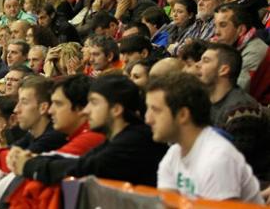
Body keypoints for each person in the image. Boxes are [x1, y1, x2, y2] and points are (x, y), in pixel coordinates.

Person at [9, 75, 168, 186]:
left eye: (94, 103)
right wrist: (33, 160)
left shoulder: (135, 139)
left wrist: (30, 165)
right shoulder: (115, 138)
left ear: (116, 109)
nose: (86, 110)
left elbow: (83, 168)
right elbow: (82, 161)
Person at [145, 72, 263, 203]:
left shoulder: (218, 158)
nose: (147, 119)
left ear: (183, 115)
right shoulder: (174, 154)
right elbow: (165, 205)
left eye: (155, 110)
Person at [196, 43, 270, 180]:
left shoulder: (241, 110)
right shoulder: (205, 102)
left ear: (223, 70)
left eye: (205, 61)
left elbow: (232, 167)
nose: (197, 65)